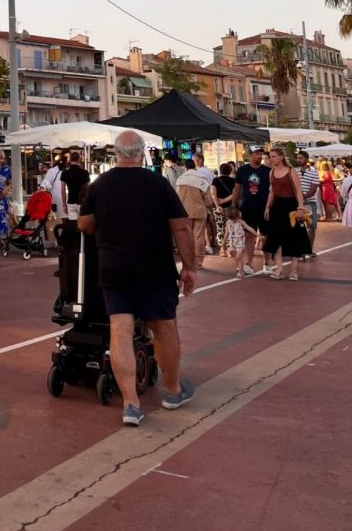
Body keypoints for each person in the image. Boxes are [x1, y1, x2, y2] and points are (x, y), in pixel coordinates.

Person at [78, 130, 196, 428]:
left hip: (114, 267)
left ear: (115, 154)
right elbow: (181, 228)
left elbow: (84, 224)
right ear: (142, 154)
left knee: (120, 327)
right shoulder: (158, 184)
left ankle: (131, 404)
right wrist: (189, 267)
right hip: (154, 267)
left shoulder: (100, 184)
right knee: (164, 327)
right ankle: (172, 391)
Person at [262, 148, 311, 280]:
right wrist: (267, 207)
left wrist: (300, 207)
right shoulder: (271, 172)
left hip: (291, 207)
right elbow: (271, 191)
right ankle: (279, 268)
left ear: (281, 157)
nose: (271, 159)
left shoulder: (291, 171)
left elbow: (298, 190)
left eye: (274, 157)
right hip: (277, 207)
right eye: (270, 157)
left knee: (294, 237)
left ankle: (293, 270)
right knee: (275, 237)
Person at [233, 146, 272, 274]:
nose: (260, 156)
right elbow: (237, 188)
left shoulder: (267, 171)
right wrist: (233, 205)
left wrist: (270, 206)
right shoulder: (242, 170)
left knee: (265, 235)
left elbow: (273, 190)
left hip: (264, 208)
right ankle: (248, 263)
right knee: (249, 235)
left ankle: (267, 264)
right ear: (250, 155)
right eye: (257, 153)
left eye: (261, 153)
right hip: (248, 208)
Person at [175, 156, 213, 270]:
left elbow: (176, 198)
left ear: (185, 168)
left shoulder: (180, 180)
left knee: (187, 236)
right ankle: (199, 261)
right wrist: (209, 208)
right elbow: (208, 199)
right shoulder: (201, 179)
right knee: (199, 236)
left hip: (185, 212)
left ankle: (188, 261)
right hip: (200, 211)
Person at [295, 151, 321, 254]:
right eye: (298, 158)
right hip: (297, 203)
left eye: (300, 158)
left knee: (311, 227)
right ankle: (298, 248)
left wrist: (303, 197)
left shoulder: (313, 172)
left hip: (310, 203)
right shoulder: (294, 171)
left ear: (306, 159)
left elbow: (313, 189)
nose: (298, 160)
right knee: (296, 226)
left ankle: (309, 249)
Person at [223, 206, 256, 278]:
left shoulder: (241, 222)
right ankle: (239, 266)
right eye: (233, 219)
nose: (235, 220)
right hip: (232, 241)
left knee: (239, 256)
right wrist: (224, 243)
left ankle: (241, 272)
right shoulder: (228, 223)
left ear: (238, 216)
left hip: (240, 241)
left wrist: (256, 234)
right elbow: (226, 233)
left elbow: (248, 227)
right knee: (235, 255)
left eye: (236, 218)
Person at [212, 162, 236, 258]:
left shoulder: (215, 180)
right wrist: (225, 200)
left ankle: (222, 249)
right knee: (230, 228)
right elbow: (235, 194)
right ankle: (230, 249)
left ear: (220, 170)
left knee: (220, 228)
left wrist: (218, 205)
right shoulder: (232, 181)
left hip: (218, 208)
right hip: (230, 207)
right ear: (230, 171)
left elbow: (213, 194)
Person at [61, 152, 90, 221]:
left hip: (71, 202)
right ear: (79, 159)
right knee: (82, 224)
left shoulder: (65, 173)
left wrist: (64, 205)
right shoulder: (85, 173)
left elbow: (62, 191)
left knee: (73, 225)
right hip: (82, 202)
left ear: (70, 160)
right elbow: (88, 189)